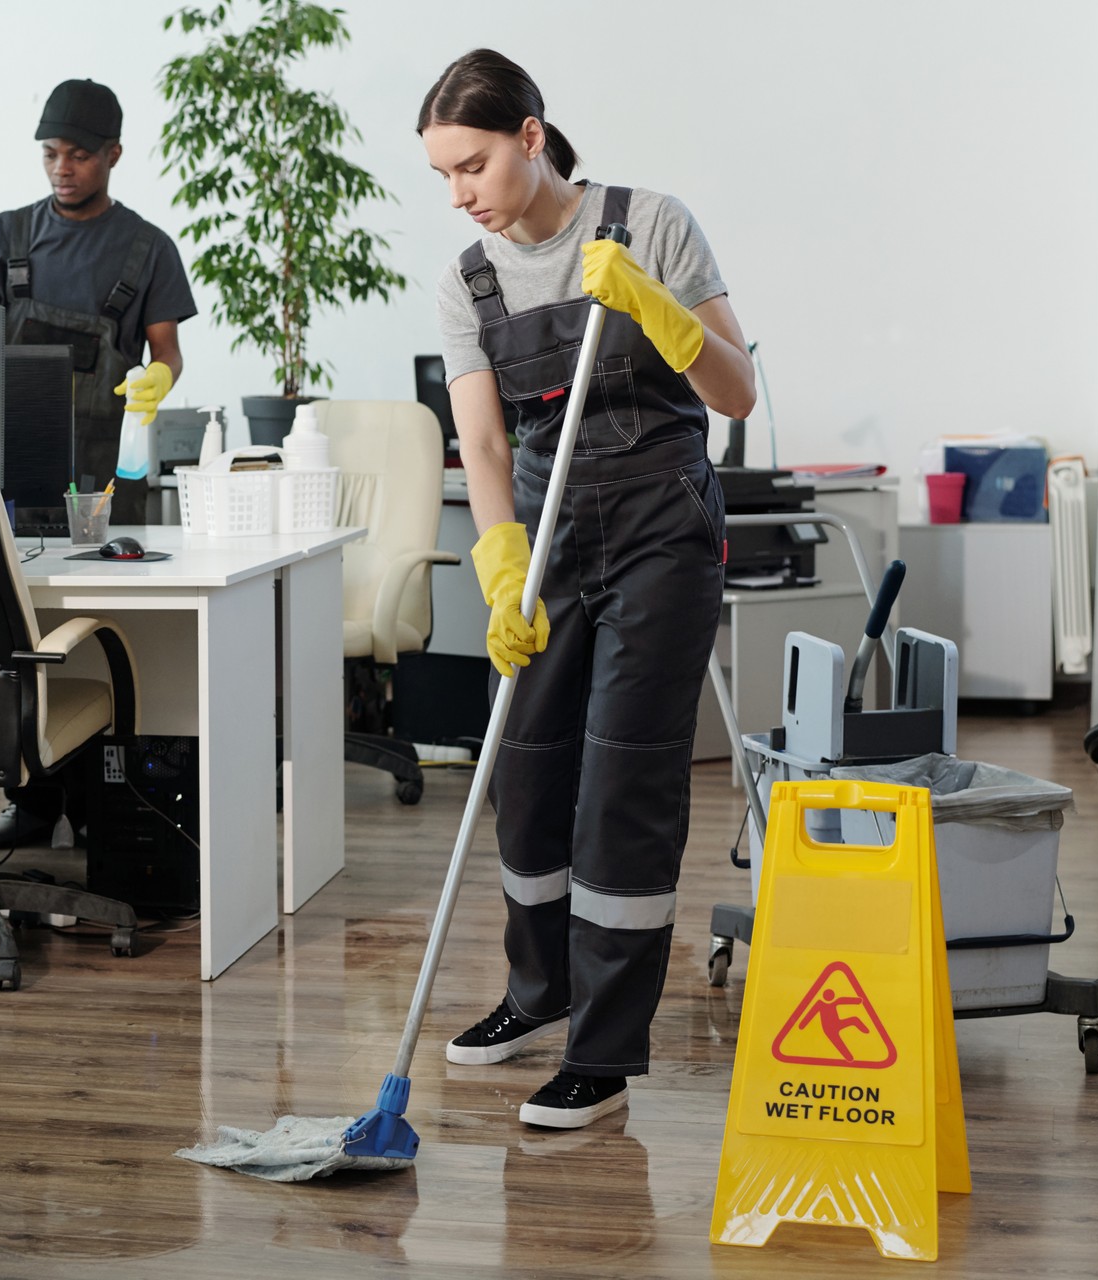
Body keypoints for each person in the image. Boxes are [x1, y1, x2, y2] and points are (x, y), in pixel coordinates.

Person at [419, 49, 756, 1129]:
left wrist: (661, 309)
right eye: (442, 175)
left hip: (661, 531)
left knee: (622, 784)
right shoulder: (467, 278)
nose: (461, 192)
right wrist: (500, 558)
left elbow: (736, 388)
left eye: (472, 163)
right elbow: (479, 435)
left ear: (528, 135)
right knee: (526, 769)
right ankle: (539, 989)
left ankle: (605, 1048)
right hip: (548, 540)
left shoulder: (647, 223)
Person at [0, 78, 198, 526]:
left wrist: (161, 376)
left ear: (114, 154)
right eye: (50, 153)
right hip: (5, 480)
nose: (61, 169)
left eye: (79, 156)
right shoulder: (3, 237)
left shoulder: (149, 249)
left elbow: (168, 351)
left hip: (106, 481)